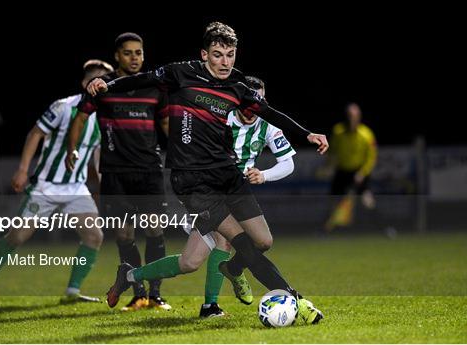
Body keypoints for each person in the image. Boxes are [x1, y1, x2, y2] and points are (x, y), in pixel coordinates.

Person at [87, 22, 328, 325]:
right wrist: (106, 84)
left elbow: (270, 112)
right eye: (217, 55)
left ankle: (133, 273)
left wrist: (307, 134)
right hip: (193, 182)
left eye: (230, 55)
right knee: (241, 245)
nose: (225, 62)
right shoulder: (181, 73)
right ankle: (298, 300)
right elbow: (144, 78)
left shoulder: (237, 88)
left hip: (227, 176)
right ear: (205, 54)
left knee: (242, 246)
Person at [0, 60, 112, 305]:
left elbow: (96, 155)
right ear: (85, 84)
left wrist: (105, 183)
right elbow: (36, 133)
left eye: (107, 80)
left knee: (94, 236)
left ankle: (72, 292)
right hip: (45, 187)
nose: (103, 84)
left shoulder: (105, 117)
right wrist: (22, 170)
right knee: (16, 237)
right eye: (99, 79)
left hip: (76, 188)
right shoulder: (64, 107)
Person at [65, 32, 171, 311]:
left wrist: (187, 153)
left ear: (143, 55)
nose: (134, 58)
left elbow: (166, 125)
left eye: (138, 52)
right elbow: (80, 117)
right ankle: (139, 294)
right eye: (128, 53)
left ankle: (156, 295)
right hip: (115, 173)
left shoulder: (155, 87)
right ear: (117, 56)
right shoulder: (103, 87)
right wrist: (71, 150)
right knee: (124, 236)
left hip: (149, 171)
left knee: (154, 231)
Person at [198, 75, 297, 318]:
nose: (254, 107)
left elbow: (288, 163)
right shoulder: (221, 119)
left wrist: (263, 175)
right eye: (248, 101)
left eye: (259, 102)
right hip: (211, 189)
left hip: (239, 191)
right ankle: (210, 306)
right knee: (216, 246)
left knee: (264, 242)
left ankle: (233, 269)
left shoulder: (268, 125)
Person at [324, 102, 377, 232]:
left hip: (359, 172)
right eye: (349, 116)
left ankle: (376, 227)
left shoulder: (367, 134)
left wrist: (362, 173)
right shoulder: (338, 131)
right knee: (334, 200)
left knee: (367, 201)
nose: (351, 119)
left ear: (359, 117)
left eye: (354, 116)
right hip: (342, 171)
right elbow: (332, 152)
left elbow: (371, 158)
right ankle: (329, 229)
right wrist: (329, 166)